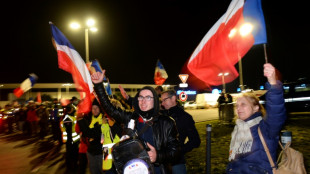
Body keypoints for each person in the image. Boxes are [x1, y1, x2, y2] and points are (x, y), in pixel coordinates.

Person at [91, 70, 180, 174]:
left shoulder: (166, 123)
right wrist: (98, 85)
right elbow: (110, 109)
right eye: (141, 97)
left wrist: (158, 156)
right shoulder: (131, 117)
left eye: (148, 97)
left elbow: (176, 151)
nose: (143, 101)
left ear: (155, 100)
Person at [226, 63, 287, 173]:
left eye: (243, 104)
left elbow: (276, 112)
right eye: (237, 105)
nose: (239, 108)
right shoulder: (238, 129)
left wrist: (273, 84)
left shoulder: (265, 128)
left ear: (255, 108)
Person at [161, 90, 201, 174]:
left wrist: (179, 151)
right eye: (162, 101)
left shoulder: (185, 117)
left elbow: (196, 141)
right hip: (161, 162)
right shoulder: (162, 116)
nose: (162, 103)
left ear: (173, 98)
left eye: (165, 100)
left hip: (177, 163)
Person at [77, 99, 105, 174]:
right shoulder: (90, 119)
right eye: (93, 108)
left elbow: (90, 133)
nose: (95, 110)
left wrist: (80, 119)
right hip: (91, 153)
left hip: (101, 153)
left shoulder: (104, 120)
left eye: (96, 108)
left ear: (100, 109)